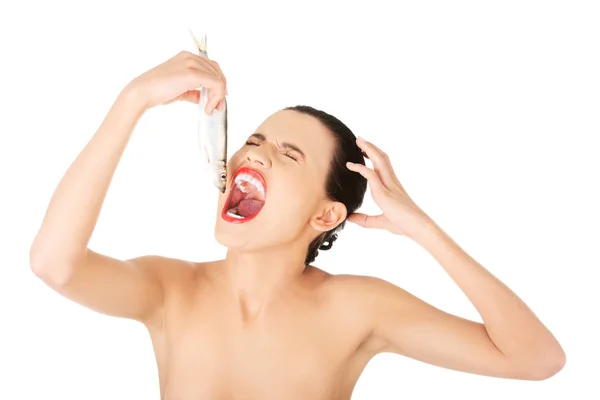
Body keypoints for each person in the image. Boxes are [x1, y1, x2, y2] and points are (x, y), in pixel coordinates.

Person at [29, 50, 565, 399]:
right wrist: (132, 102)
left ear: (326, 215)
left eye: (288, 156)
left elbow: (536, 359)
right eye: (255, 143)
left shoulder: (358, 308)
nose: (255, 157)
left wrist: (422, 229)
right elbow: (54, 265)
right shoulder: (171, 290)